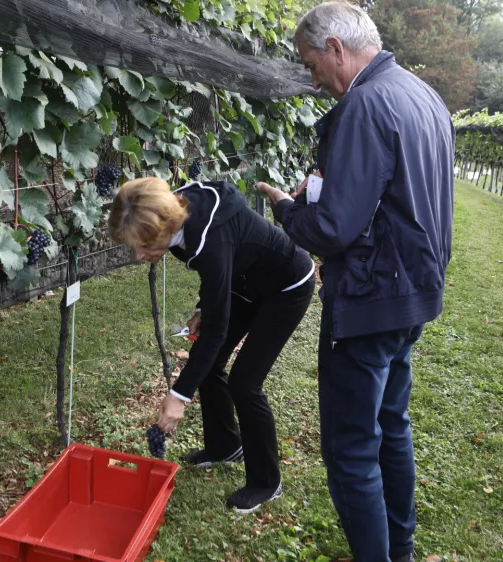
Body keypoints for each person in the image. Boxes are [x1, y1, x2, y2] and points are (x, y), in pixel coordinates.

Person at [256, 2, 454, 562]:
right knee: (392, 424)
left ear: (336, 48)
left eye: (311, 64)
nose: (313, 79)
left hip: (371, 299)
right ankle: (399, 551)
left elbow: (334, 228)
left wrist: (288, 209)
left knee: (350, 450)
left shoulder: (364, 105)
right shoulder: (423, 95)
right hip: (414, 291)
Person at [109, 177, 315, 513]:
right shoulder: (174, 211)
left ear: (166, 227)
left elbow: (216, 322)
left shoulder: (209, 237)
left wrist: (178, 396)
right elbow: (218, 271)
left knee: (245, 383)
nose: (138, 255)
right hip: (244, 281)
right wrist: (205, 307)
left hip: (286, 286)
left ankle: (266, 482)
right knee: (207, 362)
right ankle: (225, 446)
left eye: (143, 245)